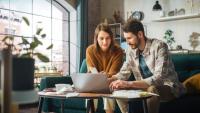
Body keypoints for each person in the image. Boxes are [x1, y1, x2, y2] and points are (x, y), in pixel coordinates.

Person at [109, 19, 186, 113]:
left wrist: (129, 83)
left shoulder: (160, 46)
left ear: (140, 34)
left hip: (167, 86)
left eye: (129, 38)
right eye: (126, 39)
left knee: (152, 89)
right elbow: (123, 73)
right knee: (118, 88)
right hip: (143, 87)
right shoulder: (130, 50)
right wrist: (109, 80)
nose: (127, 42)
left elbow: (159, 78)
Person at [86, 23, 124, 113]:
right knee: (91, 89)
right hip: (94, 82)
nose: (105, 42)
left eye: (107, 38)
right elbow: (91, 70)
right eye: (101, 38)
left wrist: (105, 75)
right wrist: (99, 76)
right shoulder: (90, 50)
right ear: (96, 39)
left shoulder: (118, 50)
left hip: (110, 81)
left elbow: (114, 72)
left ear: (111, 38)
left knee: (108, 88)